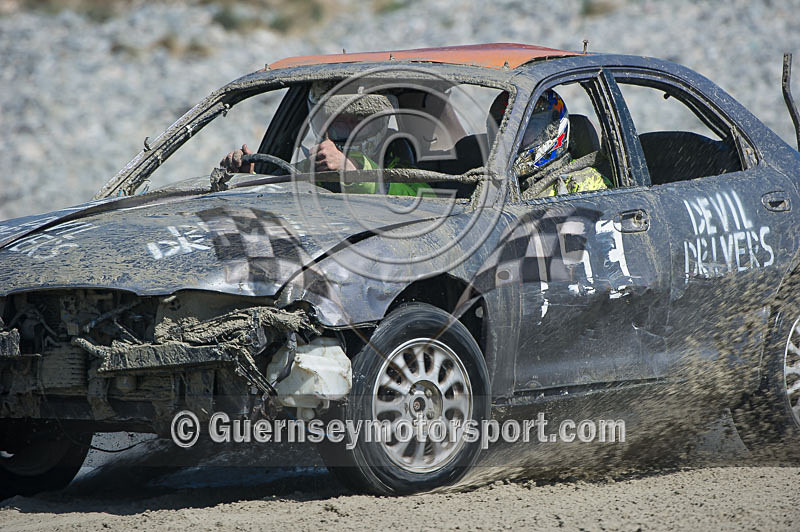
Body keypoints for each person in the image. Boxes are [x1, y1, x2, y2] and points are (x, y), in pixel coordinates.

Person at [220, 81, 429, 197]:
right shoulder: (318, 163)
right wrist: (249, 178)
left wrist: (354, 173)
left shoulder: (395, 153)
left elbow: (428, 200)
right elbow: (282, 189)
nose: (348, 128)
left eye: (358, 119)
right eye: (337, 119)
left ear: (377, 121)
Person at [493, 89, 611, 198]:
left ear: (552, 128)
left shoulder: (585, 183)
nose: (515, 138)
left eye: (527, 128)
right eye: (506, 130)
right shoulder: (492, 186)